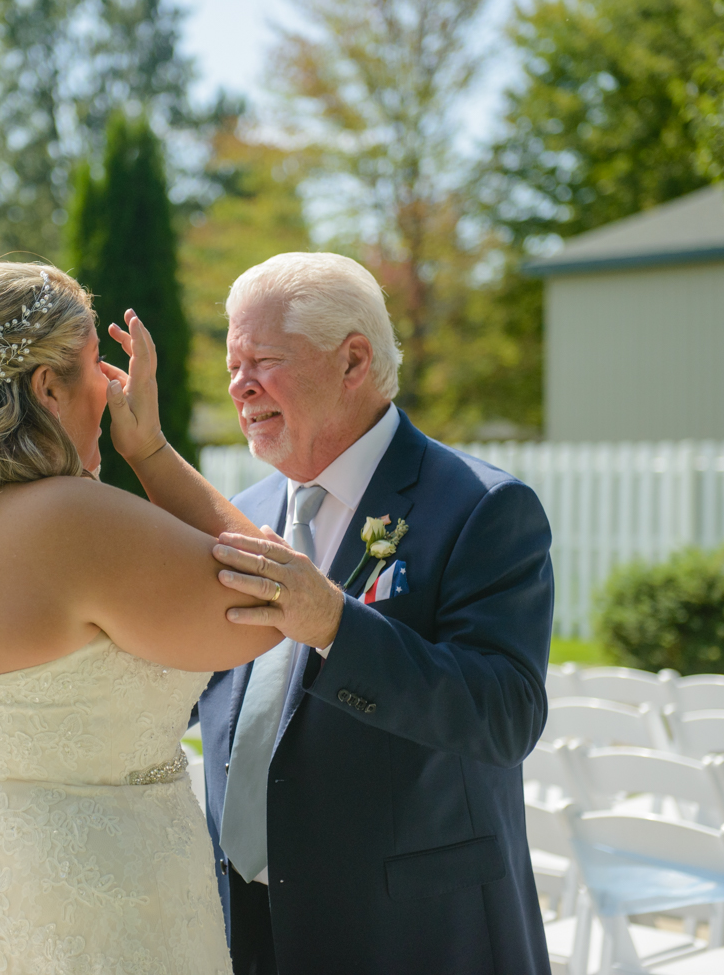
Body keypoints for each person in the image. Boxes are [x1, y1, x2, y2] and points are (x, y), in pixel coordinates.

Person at [0, 261, 284, 975]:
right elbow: (275, 599)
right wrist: (151, 451)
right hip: (109, 932)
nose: (111, 386)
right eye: (96, 366)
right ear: (46, 387)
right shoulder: (72, 522)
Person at [199, 252, 555, 974]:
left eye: (264, 360)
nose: (240, 385)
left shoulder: (481, 507)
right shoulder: (248, 509)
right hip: (249, 927)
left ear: (353, 361)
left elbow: (505, 715)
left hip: (411, 933)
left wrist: (335, 624)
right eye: (234, 365)